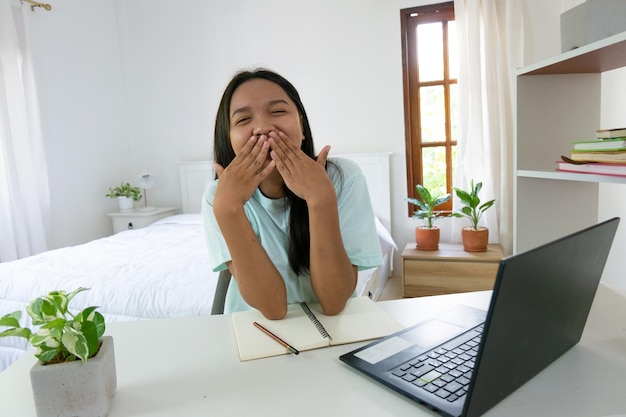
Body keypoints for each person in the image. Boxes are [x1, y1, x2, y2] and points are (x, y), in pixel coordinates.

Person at [202, 69, 382, 319]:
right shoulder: (217, 198)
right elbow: (273, 309)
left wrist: (320, 198)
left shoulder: (343, 177)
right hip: (254, 330)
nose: (263, 128)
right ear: (229, 139)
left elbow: (334, 301)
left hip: (331, 329)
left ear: (302, 128)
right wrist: (228, 209)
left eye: (277, 112)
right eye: (243, 120)